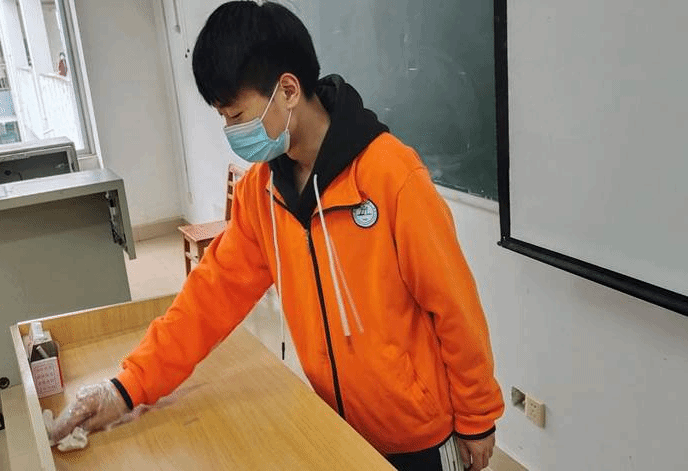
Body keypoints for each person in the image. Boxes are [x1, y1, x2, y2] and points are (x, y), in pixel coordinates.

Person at [48, 2, 504, 470]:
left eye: (236, 115)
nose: (230, 131)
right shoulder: (262, 193)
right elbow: (208, 300)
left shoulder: (391, 176)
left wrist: (477, 417)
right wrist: (125, 388)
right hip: (336, 425)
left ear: (288, 90)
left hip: (419, 435)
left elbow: (454, 306)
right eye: (223, 117)